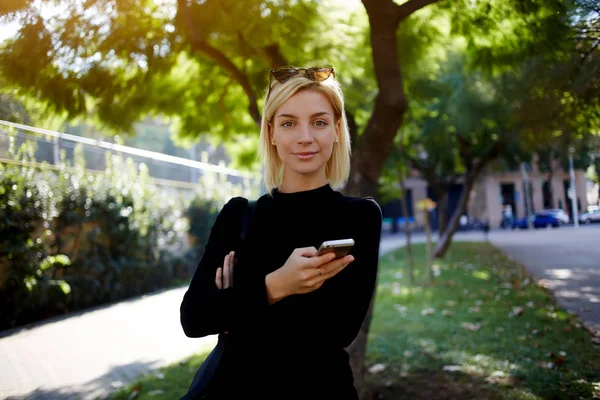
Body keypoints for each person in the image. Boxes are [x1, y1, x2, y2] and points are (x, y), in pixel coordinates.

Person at [179, 65, 382, 400]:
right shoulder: (238, 215)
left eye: (319, 122)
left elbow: (338, 330)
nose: (305, 136)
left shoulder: (359, 217)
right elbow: (194, 318)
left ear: (336, 129)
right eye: (289, 123)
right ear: (271, 132)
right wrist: (276, 286)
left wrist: (234, 310)